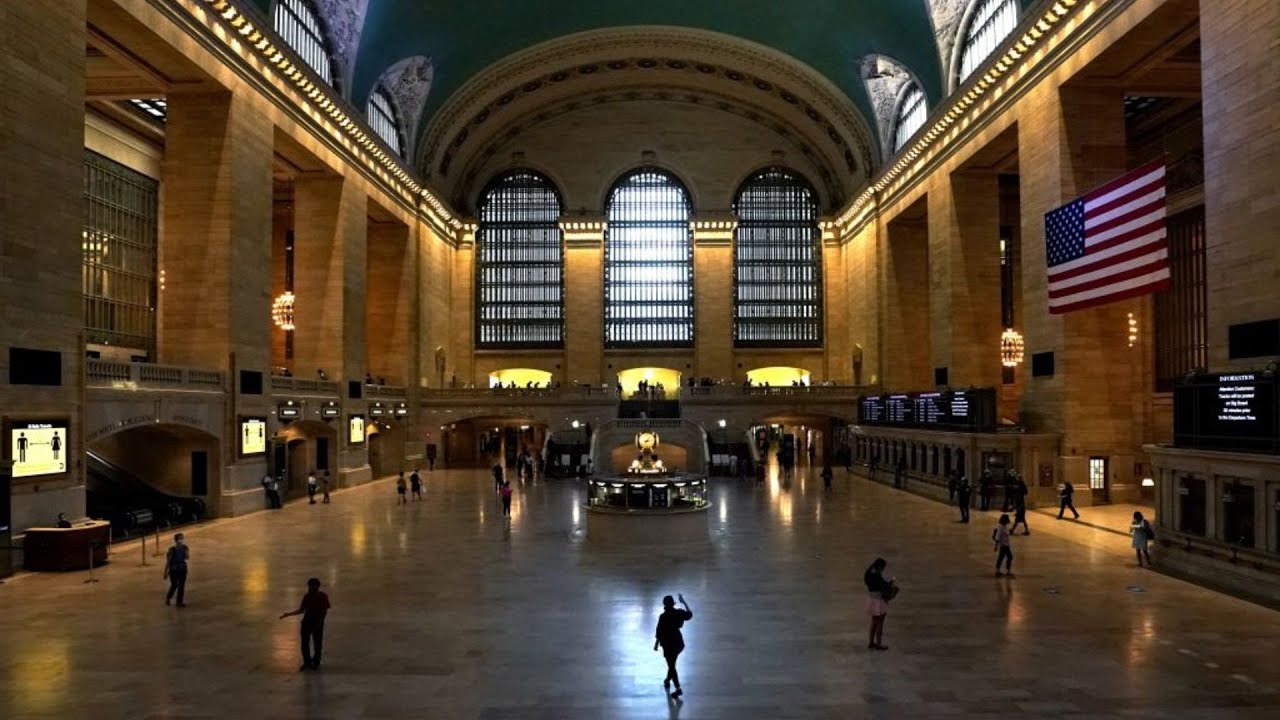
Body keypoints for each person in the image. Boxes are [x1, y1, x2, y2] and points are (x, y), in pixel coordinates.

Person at [280, 578, 330, 671]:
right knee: (305, 644)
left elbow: (324, 612)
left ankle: (316, 662)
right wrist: (289, 614)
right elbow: (302, 610)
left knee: (317, 643)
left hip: (317, 623)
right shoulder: (307, 596)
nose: (310, 588)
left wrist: (319, 623)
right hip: (307, 623)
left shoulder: (323, 596)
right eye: (309, 586)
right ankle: (307, 662)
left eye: (312, 587)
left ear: (317, 587)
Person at [653, 593, 693, 698]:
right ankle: (667, 680)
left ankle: (678, 688)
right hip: (678, 643)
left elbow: (659, 632)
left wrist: (656, 644)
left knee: (671, 665)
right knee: (672, 664)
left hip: (667, 644)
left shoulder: (663, 617)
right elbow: (690, 614)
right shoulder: (679, 613)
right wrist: (683, 602)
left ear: (664, 605)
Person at [864, 558, 892, 651]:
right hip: (879, 600)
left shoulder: (868, 573)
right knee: (880, 622)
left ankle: (871, 642)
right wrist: (889, 584)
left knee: (874, 621)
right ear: (880, 567)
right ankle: (879, 644)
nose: (883, 570)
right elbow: (883, 586)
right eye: (883, 568)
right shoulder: (877, 575)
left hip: (871, 599)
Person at [163, 533, 189, 607]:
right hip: (173, 570)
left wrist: (186, 553)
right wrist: (165, 572)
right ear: (176, 540)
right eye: (179, 538)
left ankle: (179, 602)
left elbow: (187, 558)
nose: (181, 540)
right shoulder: (171, 550)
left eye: (182, 538)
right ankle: (168, 597)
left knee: (181, 585)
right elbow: (168, 562)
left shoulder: (185, 548)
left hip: (182, 569)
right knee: (174, 585)